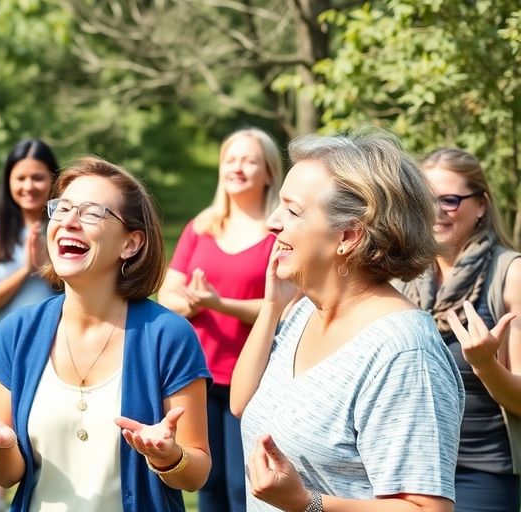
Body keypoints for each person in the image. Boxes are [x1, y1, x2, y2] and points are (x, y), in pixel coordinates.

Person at [0, 156, 212, 511]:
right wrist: (1, 445)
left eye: (92, 213)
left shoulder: (168, 335)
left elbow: (195, 473)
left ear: (130, 244)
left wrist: (168, 456)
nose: (68, 222)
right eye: (62, 208)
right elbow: (6, 475)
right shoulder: (18, 332)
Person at [230, 132, 465, 512]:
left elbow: (427, 509)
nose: (272, 222)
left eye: (292, 210)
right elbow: (243, 404)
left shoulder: (403, 351)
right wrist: (273, 306)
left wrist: (308, 503)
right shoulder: (305, 311)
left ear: (349, 235)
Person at [158, 128, 284, 512]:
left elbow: (282, 306)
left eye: (249, 160)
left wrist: (218, 303)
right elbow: (167, 295)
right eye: (231, 159)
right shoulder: (203, 225)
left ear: (268, 172)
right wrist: (197, 304)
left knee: (242, 484)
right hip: (199, 375)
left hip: (255, 379)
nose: (237, 168)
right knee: (207, 486)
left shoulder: (278, 231)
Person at [397, 148, 521, 512]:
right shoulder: (404, 277)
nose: (435, 211)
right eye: (425, 199)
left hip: (480, 474)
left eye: (449, 200)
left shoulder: (510, 276)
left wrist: (485, 365)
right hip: (406, 469)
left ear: (481, 205)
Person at [0, 139, 60, 512]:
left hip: (56, 349)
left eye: (38, 177)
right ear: (8, 181)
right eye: (20, 178)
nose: (29, 186)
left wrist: (46, 264)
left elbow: (79, 288)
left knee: (45, 429)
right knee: (4, 431)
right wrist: (26, 269)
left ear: (53, 180)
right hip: (2, 350)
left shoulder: (63, 225)